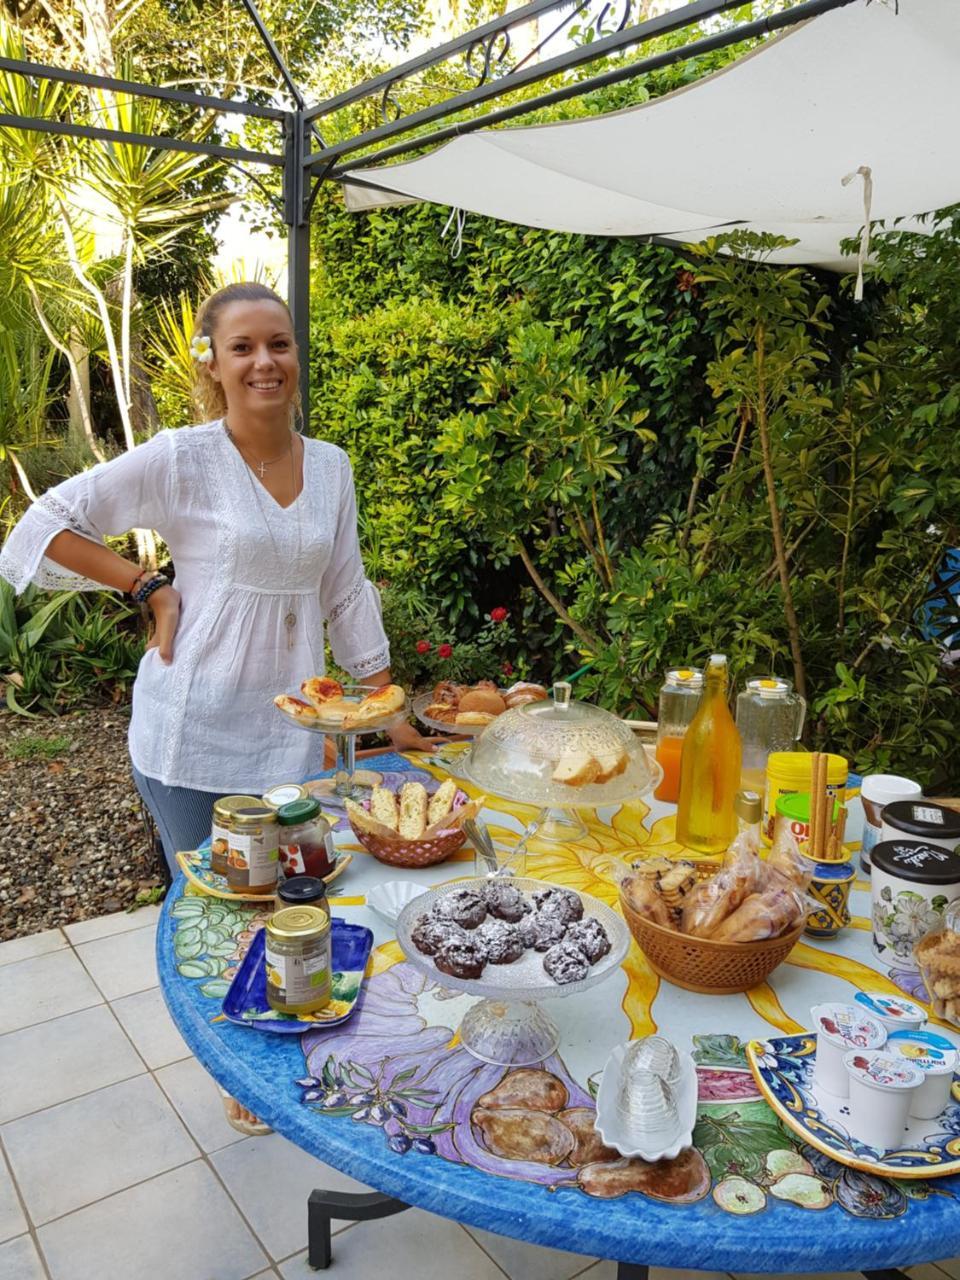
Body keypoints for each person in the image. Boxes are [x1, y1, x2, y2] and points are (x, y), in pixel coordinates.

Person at [0, 279, 434, 871]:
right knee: (216, 904)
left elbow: (346, 591)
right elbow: (45, 522)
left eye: (279, 344)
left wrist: (392, 715)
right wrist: (149, 588)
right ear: (213, 364)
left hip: (291, 738)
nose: (265, 362)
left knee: (295, 896)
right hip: (193, 733)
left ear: (295, 355)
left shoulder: (332, 467)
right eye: (242, 347)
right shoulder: (183, 457)